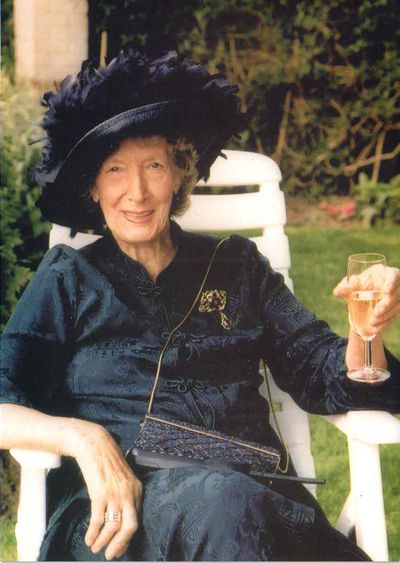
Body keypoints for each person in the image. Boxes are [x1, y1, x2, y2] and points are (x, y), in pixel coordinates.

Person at [1, 51, 399, 562]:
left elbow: (321, 372)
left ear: (179, 174)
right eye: (115, 169)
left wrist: (365, 334)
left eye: (153, 165)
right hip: (120, 517)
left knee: (232, 503)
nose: (137, 191)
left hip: (251, 502)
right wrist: (84, 437)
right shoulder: (68, 277)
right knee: (225, 503)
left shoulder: (238, 266)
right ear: (93, 187)